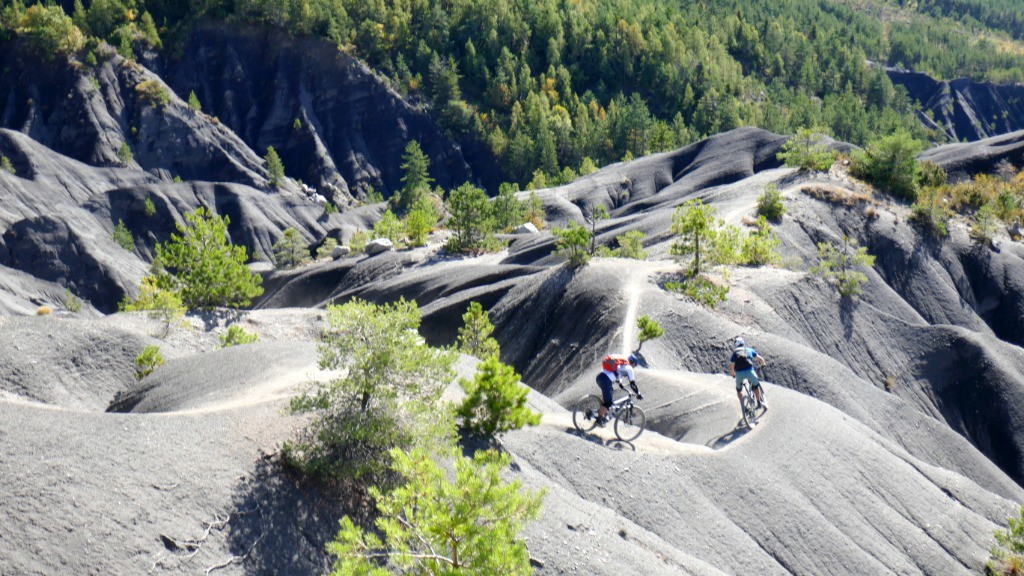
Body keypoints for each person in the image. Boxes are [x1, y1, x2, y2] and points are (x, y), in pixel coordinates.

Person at [595, 354, 643, 425]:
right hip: (606, 380)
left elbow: (618, 377)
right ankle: (599, 420)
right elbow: (632, 384)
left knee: (608, 394)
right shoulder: (629, 368)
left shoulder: (620, 365)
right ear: (633, 363)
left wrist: (621, 385)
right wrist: (638, 393)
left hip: (599, 377)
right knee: (608, 403)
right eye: (635, 365)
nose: (634, 367)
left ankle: (601, 411)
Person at [729, 337, 767, 410]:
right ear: (743, 343)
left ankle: (743, 407)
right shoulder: (749, 350)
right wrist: (763, 364)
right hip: (750, 372)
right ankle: (759, 402)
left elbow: (731, 366)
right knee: (755, 386)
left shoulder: (735, 353)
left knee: (739, 390)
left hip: (739, 373)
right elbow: (761, 359)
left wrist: (733, 374)